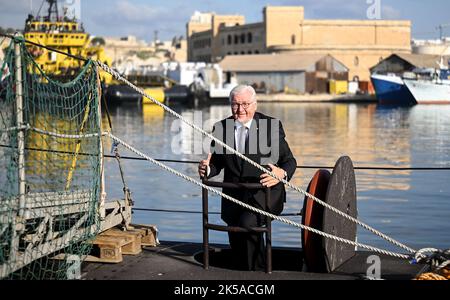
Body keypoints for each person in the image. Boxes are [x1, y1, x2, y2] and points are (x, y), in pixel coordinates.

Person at [198, 85, 297, 271]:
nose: (240, 109)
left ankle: (255, 274)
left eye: (245, 104)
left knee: (247, 224)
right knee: (235, 230)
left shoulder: (271, 127)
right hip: (233, 196)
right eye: (235, 104)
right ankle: (241, 272)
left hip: (264, 194)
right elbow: (216, 163)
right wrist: (207, 170)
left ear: (255, 104)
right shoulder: (222, 128)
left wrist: (280, 174)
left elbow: (290, 161)